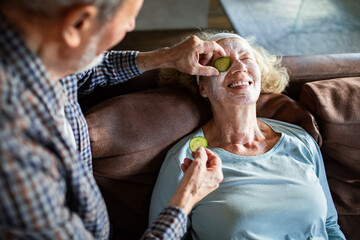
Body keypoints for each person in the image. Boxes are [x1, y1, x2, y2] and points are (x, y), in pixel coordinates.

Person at [0, 0, 224, 239]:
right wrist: (186, 198)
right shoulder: (15, 150)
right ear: (79, 23)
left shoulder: (41, 47)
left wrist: (166, 57)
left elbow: (86, 71)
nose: (131, 25)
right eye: (128, 17)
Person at [149, 32, 346, 239]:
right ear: (203, 87)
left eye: (245, 58)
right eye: (222, 62)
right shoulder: (186, 160)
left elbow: (330, 226)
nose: (239, 67)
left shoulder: (301, 141)